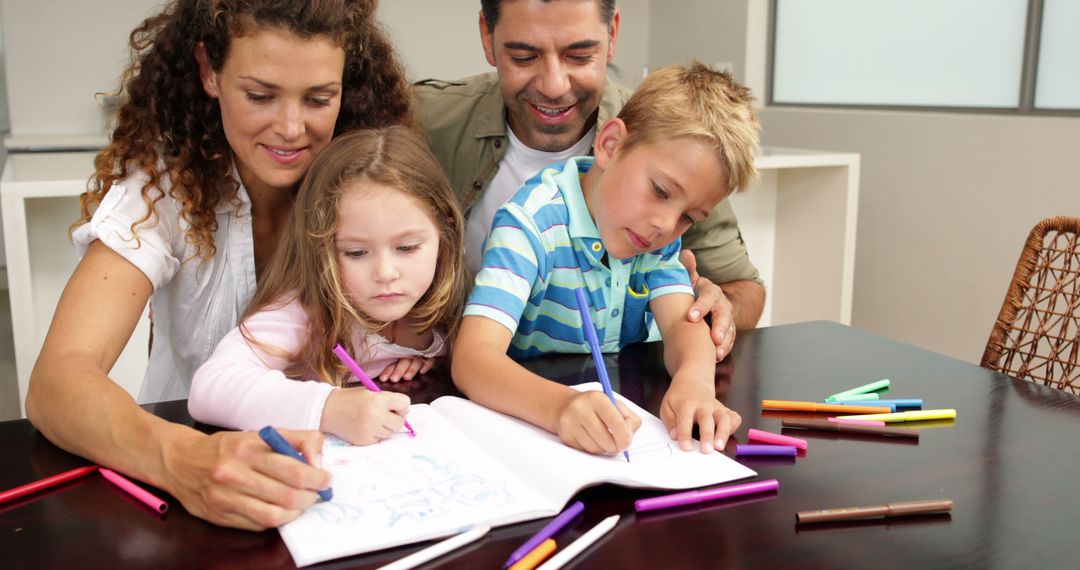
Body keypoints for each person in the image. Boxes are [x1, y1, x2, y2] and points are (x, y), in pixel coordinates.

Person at [25, 0, 414, 530]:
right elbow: (56, 383)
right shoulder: (163, 193)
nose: (292, 128)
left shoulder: (368, 180)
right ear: (209, 71)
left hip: (349, 474)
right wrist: (181, 459)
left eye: (320, 98)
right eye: (260, 95)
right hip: (188, 470)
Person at [416, 0, 765, 362]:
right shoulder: (421, 121)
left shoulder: (677, 140)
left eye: (580, 56)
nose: (554, 86)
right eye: (524, 57)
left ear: (612, 34)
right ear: (487, 37)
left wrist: (708, 313)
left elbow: (745, 290)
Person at [452, 62, 759, 457]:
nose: (665, 225)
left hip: (623, 423)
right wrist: (560, 408)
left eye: (688, 217)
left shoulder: (657, 240)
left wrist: (695, 385)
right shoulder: (529, 226)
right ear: (611, 145)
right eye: (661, 190)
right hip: (533, 429)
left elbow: (686, 327)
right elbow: (473, 358)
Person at [188, 127, 467, 444]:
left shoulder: (447, 314)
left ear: (445, 232)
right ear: (321, 248)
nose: (386, 273)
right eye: (356, 253)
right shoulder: (304, 313)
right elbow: (210, 387)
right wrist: (329, 409)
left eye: (406, 248)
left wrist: (433, 364)